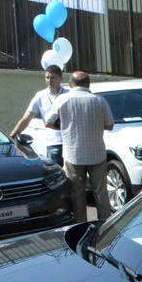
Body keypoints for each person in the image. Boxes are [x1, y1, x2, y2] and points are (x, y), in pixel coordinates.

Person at [46, 71, 115, 223]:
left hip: (73, 153)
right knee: (100, 191)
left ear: (71, 84)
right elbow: (110, 125)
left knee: (77, 192)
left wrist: (63, 127)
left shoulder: (62, 99)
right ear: (88, 84)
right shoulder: (99, 100)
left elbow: (48, 122)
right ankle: (105, 223)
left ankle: (80, 224)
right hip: (97, 153)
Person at [9, 64, 67, 164]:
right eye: (47, 78)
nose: (49, 81)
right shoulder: (40, 96)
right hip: (54, 143)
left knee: (72, 173)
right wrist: (11, 136)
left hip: (70, 142)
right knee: (56, 171)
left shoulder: (68, 94)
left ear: (60, 78)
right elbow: (26, 119)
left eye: (53, 78)